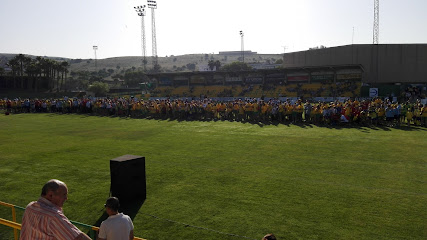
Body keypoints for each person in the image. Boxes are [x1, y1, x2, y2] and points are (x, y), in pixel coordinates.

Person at [20, 179, 91, 240]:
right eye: (64, 195)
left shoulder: (30, 207)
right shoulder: (53, 216)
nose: (66, 198)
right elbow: (77, 238)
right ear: (50, 195)